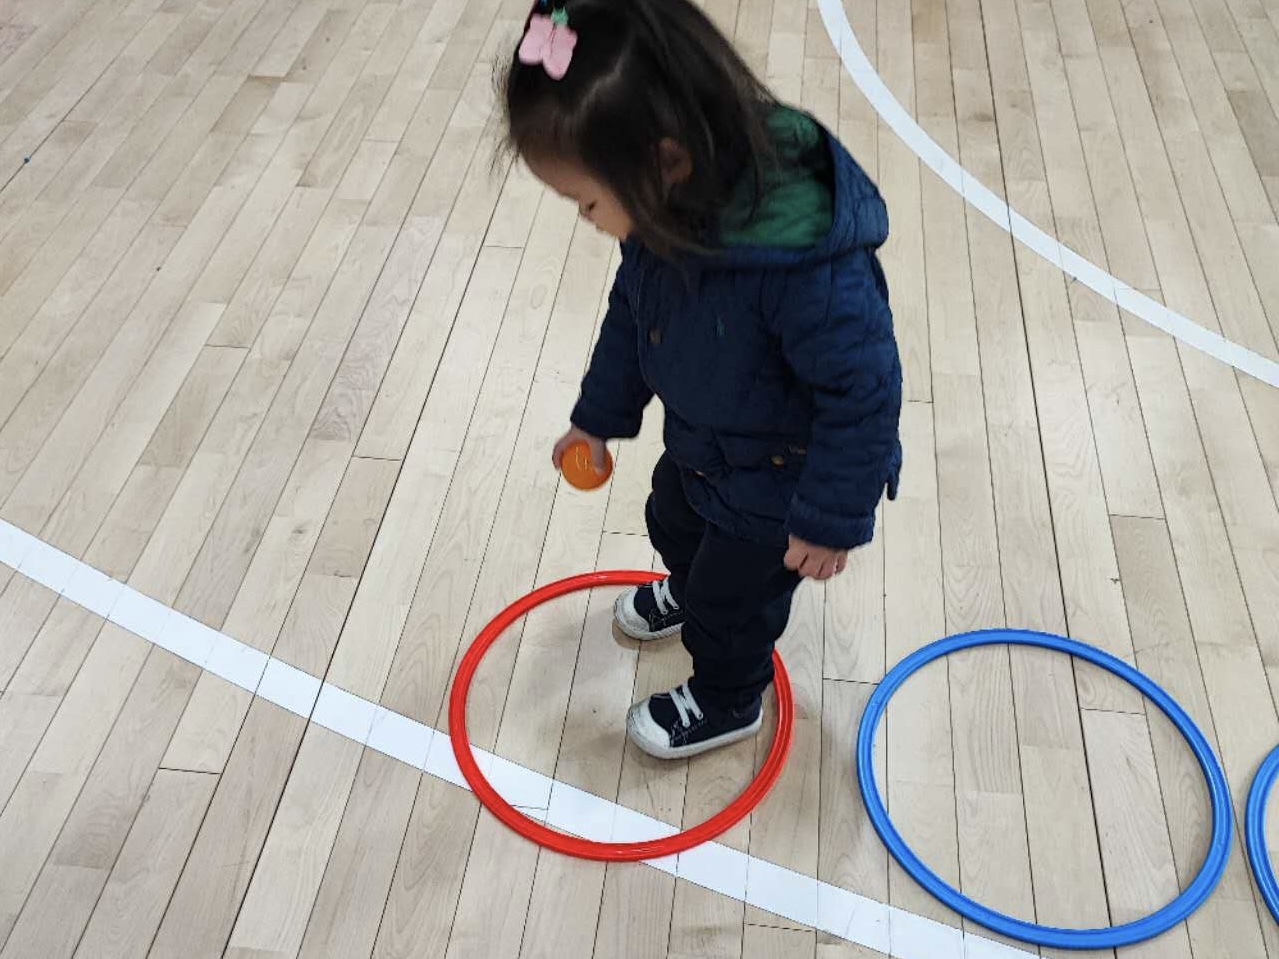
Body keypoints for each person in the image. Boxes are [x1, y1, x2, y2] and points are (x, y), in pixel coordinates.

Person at [504, 0, 902, 759]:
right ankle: (693, 592)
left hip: (781, 479)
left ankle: (728, 699)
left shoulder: (807, 272)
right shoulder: (668, 211)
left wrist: (829, 518)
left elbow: (865, 393)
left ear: (666, 161)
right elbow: (633, 313)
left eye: (585, 200)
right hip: (709, 442)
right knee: (672, 519)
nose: (584, 217)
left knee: (733, 603)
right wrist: (597, 417)